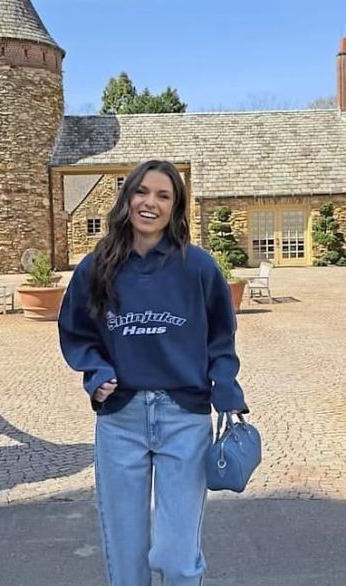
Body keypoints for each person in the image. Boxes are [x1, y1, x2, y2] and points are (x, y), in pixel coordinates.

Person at [58, 159, 248, 586]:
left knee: (177, 559)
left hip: (184, 419)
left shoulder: (198, 268)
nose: (151, 203)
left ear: (175, 207)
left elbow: (221, 337)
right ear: (127, 199)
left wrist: (225, 385)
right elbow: (77, 331)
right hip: (120, 419)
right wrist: (95, 372)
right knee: (127, 560)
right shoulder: (96, 266)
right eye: (142, 191)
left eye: (164, 195)